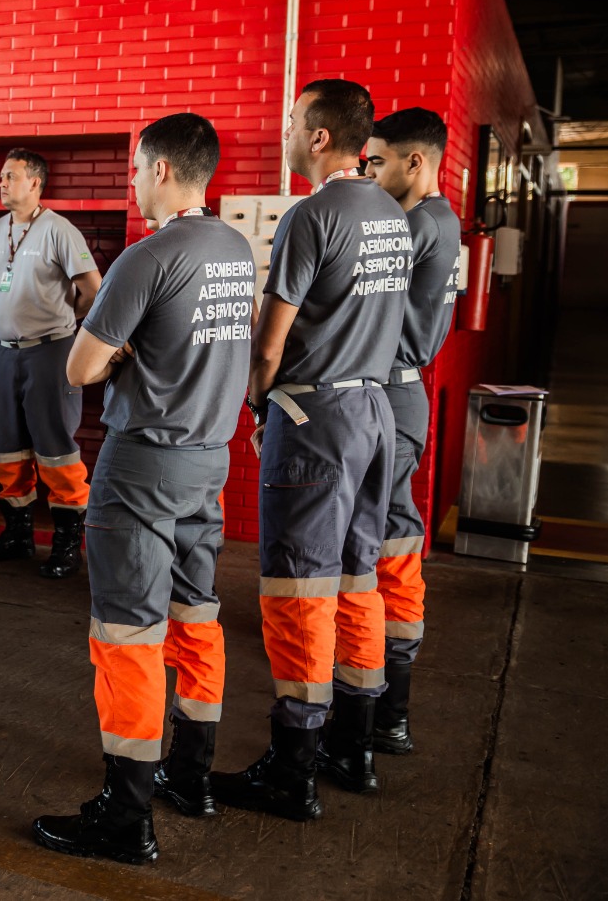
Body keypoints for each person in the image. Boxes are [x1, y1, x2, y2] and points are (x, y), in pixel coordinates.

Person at [32, 114, 250, 864]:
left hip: (144, 464)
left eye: (133, 170)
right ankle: (190, 777)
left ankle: (126, 817)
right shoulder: (232, 247)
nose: (130, 182)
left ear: (160, 171)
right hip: (207, 464)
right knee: (197, 618)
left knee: (127, 635)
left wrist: (120, 357)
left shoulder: (146, 257)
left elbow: (80, 368)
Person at [210, 79, 411, 820]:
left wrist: (258, 403)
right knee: (359, 581)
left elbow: (270, 341)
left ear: (320, 137)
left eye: (293, 120)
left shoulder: (311, 216)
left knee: (298, 589)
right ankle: (351, 749)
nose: (286, 130)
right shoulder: (390, 211)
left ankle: (291, 770)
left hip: (317, 417)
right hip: (375, 413)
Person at [362, 107, 461, 755]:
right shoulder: (442, 220)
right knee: (392, 549)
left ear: (414, 162)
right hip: (403, 401)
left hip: (388, 401)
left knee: (376, 554)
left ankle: (380, 710)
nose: (368, 172)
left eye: (377, 161)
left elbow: (359, 314)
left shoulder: (410, 226)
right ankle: (387, 709)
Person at [0, 149, 101, 578]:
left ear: (36, 184)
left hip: (51, 352)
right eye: (1, 176)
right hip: (6, 353)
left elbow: (91, 290)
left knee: (56, 449)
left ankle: (66, 546)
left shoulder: (59, 231)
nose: (3, 182)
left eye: (12, 176)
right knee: (8, 448)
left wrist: (64, 323)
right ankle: (18, 535)